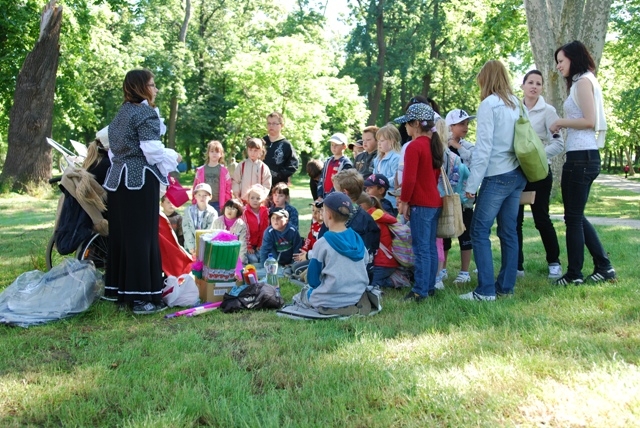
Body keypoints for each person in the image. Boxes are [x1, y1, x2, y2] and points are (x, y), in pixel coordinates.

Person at [103, 69, 180, 314]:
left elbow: (113, 153)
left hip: (117, 182)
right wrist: (174, 156)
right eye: (152, 84)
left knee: (123, 236)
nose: (155, 89)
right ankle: (140, 299)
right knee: (141, 238)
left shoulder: (120, 114)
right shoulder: (144, 112)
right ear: (141, 87)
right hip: (138, 182)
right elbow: (152, 151)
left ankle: (120, 291)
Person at [550, 40, 616, 285]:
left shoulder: (583, 82)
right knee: (575, 216)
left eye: (561, 61)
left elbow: (590, 120)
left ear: (573, 58)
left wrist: (560, 121)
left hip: (582, 158)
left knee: (573, 218)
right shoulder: (582, 81)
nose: (558, 66)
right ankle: (604, 267)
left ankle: (574, 274)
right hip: (582, 157)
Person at [460, 60, 527, 301]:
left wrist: (471, 185)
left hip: (497, 174)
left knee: (479, 230)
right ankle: (506, 287)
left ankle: (485, 290)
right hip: (518, 173)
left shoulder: (489, 104)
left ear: (485, 80)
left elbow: (484, 149)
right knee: (509, 231)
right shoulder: (517, 103)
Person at [516, 70, 565, 279]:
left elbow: (559, 143)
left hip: (539, 173)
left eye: (538, 83)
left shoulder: (548, 111)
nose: (534, 86)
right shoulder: (514, 109)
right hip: (517, 173)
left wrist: (537, 156)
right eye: (530, 82)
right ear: (523, 86)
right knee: (514, 220)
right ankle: (516, 266)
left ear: (542, 88)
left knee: (541, 219)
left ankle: (554, 262)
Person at [395, 103, 444, 302]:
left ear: (416, 123)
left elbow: (409, 179)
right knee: (430, 246)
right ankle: (429, 286)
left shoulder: (415, 146)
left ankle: (420, 290)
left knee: (421, 248)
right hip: (434, 202)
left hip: (421, 204)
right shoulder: (433, 144)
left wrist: (404, 201)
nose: (405, 127)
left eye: (407, 123)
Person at [291, 192, 369, 310]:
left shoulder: (322, 244)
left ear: (328, 215)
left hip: (328, 300)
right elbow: (365, 263)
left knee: (301, 296)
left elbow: (313, 280)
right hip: (356, 296)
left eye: (322, 211)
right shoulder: (358, 239)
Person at [434, 117, 471, 286]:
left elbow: (471, 162)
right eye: (461, 123)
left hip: (456, 200)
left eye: (466, 124)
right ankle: (442, 269)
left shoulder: (459, 149)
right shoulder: (442, 151)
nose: (465, 127)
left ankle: (464, 271)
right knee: (442, 238)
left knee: (463, 233)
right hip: (450, 198)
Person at [365, 195, 401, 288]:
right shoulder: (378, 216)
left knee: (372, 286)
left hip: (382, 263)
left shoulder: (371, 221)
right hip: (387, 261)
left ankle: (395, 280)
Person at [192, 140, 232, 215]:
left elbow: (228, 188)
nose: (214, 153)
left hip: (218, 203)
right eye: (212, 151)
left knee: (217, 225)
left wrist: (227, 202)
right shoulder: (200, 170)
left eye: (217, 152)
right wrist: (194, 201)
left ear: (221, 154)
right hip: (203, 202)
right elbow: (195, 187)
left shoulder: (224, 171)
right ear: (208, 153)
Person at [263, 112, 299, 187]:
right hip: (261, 184)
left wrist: (279, 175)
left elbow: (293, 164)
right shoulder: (261, 142)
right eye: (269, 123)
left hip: (278, 186)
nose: (271, 126)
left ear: (281, 125)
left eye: (274, 123)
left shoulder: (286, 145)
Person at [182, 183, 219, 256]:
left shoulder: (213, 213)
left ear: (210, 197)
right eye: (199, 195)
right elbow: (186, 228)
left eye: (205, 195)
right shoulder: (188, 210)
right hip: (189, 248)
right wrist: (191, 247)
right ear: (195, 196)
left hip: (206, 248)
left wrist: (201, 248)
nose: (201, 197)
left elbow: (210, 230)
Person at [232, 137, 272, 203]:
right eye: (250, 150)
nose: (252, 153)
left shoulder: (263, 167)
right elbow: (235, 181)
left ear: (261, 151)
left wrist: (262, 197)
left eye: (255, 150)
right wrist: (236, 195)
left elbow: (266, 185)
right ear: (247, 150)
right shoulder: (242, 165)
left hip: (257, 201)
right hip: (243, 200)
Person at [373, 123, 401, 210]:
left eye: (382, 141)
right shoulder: (377, 159)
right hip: (378, 200)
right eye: (378, 141)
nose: (379, 144)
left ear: (392, 141)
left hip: (391, 202)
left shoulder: (396, 158)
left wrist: (380, 182)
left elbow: (397, 180)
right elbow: (374, 176)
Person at [317, 133, 353, 200]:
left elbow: (342, 183)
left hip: (337, 197)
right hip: (324, 195)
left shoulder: (346, 163)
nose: (333, 147)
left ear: (344, 146)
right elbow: (322, 178)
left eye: (336, 145)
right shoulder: (328, 161)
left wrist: (331, 195)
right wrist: (319, 194)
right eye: (332, 145)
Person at [211, 198, 248, 264]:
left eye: (233, 208)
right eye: (228, 207)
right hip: (219, 253)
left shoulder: (241, 225)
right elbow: (212, 240)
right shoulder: (217, 222)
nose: (229, 210)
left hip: (234, 254)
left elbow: (242, 244)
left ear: (238, 211)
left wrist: (241, 261)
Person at [241, 183, 270, 265]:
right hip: (247, 244)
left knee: (261, 258)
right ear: (248, 199)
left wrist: (261, 244)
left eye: (258, 198)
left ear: (263, 200)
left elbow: (265, 229)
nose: (255, 200)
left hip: (258, 244)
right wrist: (248, 246)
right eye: (252, 198)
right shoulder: (244, 212)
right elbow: (244, 230)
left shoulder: (265, 211)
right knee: (254, 260)